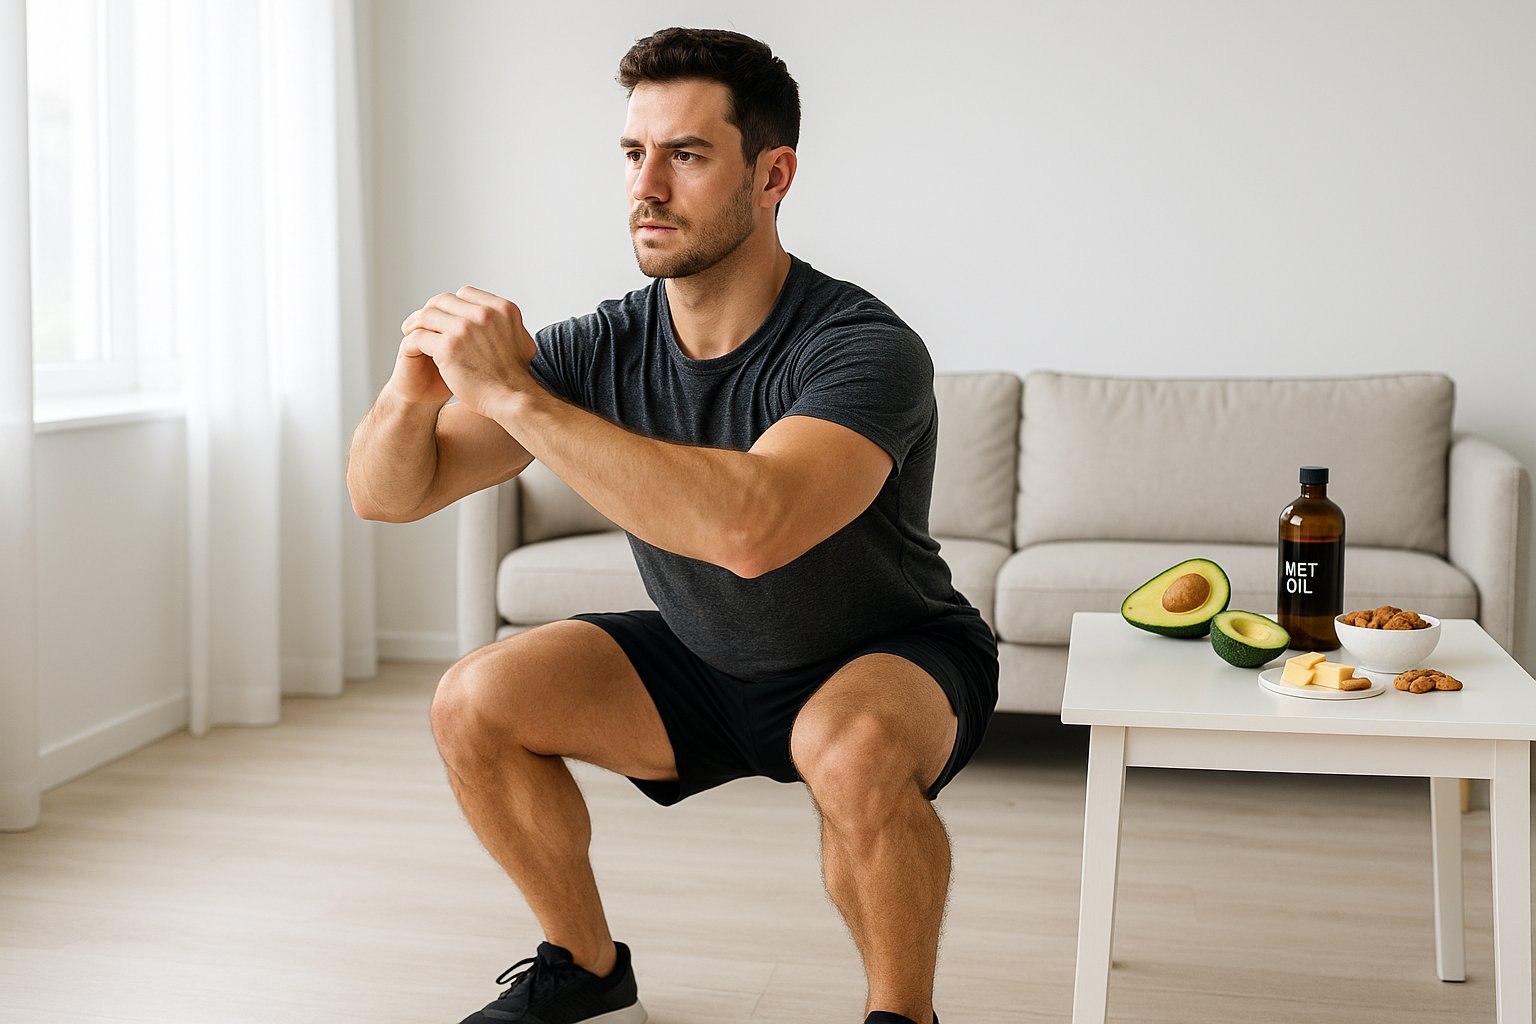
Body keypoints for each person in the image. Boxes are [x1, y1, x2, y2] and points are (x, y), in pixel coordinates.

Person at [346, 26, 998, 1024]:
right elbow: (388, 492)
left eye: (686, 156)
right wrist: (410, 388)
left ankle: (899, 1015)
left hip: (886, 651)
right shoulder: (603, 344)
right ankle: (588, 969)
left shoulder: (863, 347)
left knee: (851, 752)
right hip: (708, 653)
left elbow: (752, 527)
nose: (647, 186)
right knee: (473, 698)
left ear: (771, 174)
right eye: (632, 153)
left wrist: (518, 401)